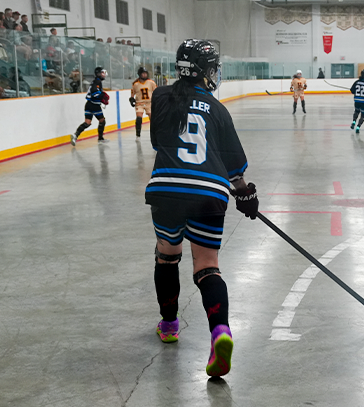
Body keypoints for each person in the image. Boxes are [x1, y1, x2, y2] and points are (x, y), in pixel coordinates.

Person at [145, 39, 256, 378]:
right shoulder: (218, 109)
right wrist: (245, 195)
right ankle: (220, 331)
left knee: (167, 255)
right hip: (210, 193)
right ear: (208, 71)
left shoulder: (162, 96)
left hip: (166, 189)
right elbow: (235, 167)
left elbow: (157, 142)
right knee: (207, 266)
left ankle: (169, 324)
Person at [70, 67, 109, 145]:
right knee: (102, 121)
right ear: (98, 74)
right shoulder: (97, 82)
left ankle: (75, 135)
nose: (104, 74)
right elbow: (94, 93)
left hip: (88, 105)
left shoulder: (95, 82)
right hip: (94, 105)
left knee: (87, 122)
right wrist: (102, 96)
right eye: (102, 73)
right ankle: (100, 139)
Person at [130, 67, 157, 138]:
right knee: (139, 118)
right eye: (143, 74)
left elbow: (156, 91)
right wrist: (132, 99)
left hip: (149, 103)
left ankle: (155, 133)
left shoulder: (151, 82)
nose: (145, 75)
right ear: (139, 74)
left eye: (145, 74)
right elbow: (132, 93)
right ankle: (138, 134)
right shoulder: (135, 84)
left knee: (153, 119)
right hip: (139, 103)